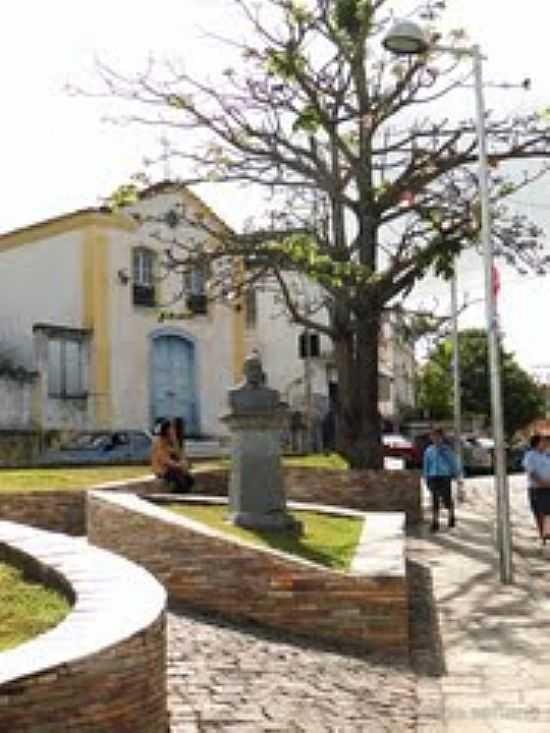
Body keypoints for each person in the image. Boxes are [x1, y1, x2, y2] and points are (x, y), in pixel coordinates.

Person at [423, 428, 459, 532]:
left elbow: (453, 462)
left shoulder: (447, 450)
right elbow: (426, 464)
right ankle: (435, 522)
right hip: (433, 476)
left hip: (445, 476)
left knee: (446, 498)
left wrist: (456, 474)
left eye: (438, 437)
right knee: (434, 499)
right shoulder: (429, 450)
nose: (435, 439)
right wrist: (426, 477)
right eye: (433, 436)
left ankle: (451, 515)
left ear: (442, 438)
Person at [151, 418, 194, 493]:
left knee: (190, 480)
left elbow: (178, 454)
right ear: (166, 430)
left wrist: (175, 441)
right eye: (171, 430)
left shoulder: (170, 442)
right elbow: (165, 461)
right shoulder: (159, 443)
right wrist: (179, 465)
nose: (173, 431)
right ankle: (176, 496)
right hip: (162, 470)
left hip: (172, 468)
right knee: (181, 482)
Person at [523, 434, 550, 543]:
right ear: (536, 444)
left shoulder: (547, 454)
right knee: (540, 513)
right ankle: (543, 536)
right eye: (543, 441)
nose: (546, 443)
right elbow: (531, 472)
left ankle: (546, 534)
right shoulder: (530, 455)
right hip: (537, 489)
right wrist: (543, 483)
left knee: (548, 512)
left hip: (548, 487)